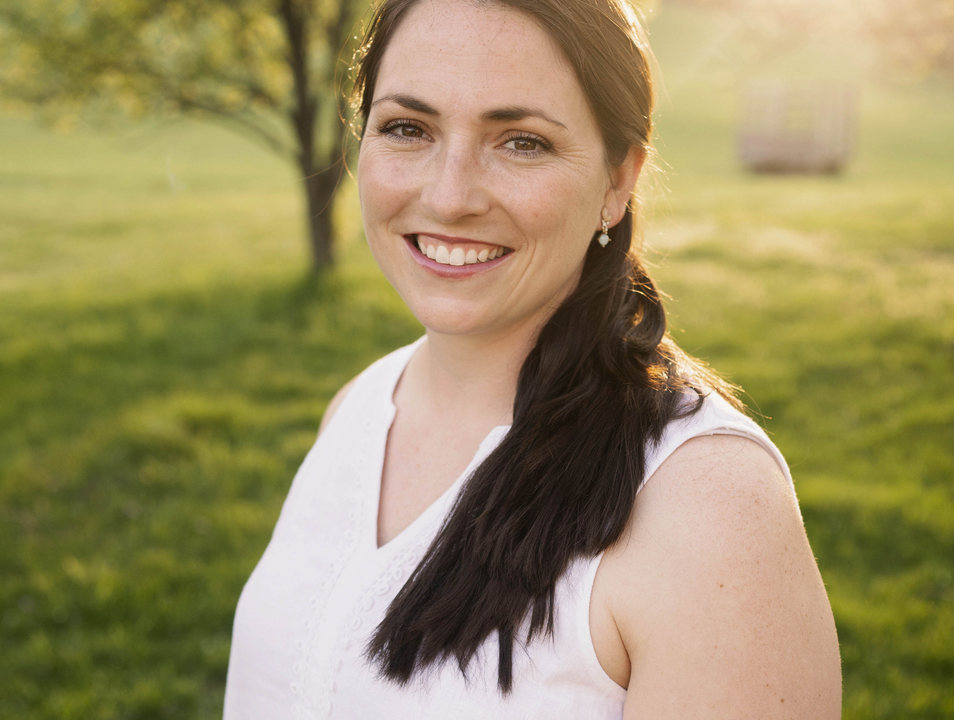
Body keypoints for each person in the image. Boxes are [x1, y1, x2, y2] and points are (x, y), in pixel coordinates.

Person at [223, 0, 842, 717]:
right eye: (407, 128)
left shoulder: (708, 508)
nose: (450, 195)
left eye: (521, 141)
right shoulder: (359, 408)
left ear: (618, 181)